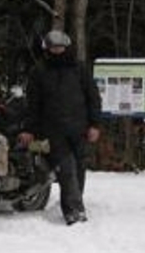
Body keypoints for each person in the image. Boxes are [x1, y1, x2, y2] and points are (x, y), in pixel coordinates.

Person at [18, 30, 102, 225]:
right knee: (66, 168)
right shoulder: (38, 72)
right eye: (54, 48)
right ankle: (74, 212)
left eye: (61, 47)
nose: (58, 51)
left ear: (67, 47)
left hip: (79, 128)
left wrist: (95, 124)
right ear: (47, 49)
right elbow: (33, 104)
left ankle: (75, 201)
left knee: (79, 168)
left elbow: (93, 98)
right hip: (53, 130)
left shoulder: (79, 69)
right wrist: (30, 128)